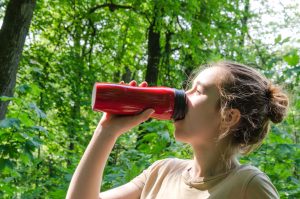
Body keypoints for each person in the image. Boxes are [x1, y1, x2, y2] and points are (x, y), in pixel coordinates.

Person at [66, 61, 289, 199]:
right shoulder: (162, 172)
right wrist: (106, 131)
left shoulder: (248, 185)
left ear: (228, 117)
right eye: (187, 89)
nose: (181, 96)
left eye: (197, 91)